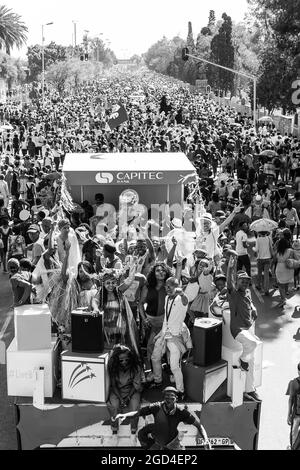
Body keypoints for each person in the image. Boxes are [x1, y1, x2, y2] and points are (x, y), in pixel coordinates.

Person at [114, 386, 211, 450]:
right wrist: (124, 415)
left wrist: (206, 440)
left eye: (171, 397)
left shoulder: (181, 412)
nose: (168, 400)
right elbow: (138, 413)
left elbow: (199, 426)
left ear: (176, 399)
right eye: (166, 397)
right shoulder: (156, 407)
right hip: (157, 443)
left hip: (173, 444)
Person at [227, 256, 261, 401]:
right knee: (251, 346)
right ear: (237, 282)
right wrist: (230, 268)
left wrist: (253, 309)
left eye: (247, 281)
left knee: (253, 360)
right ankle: (243, 360)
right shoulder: (233, 293)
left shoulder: (247, 293)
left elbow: (250, 305)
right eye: (242, 280)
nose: (245, 283)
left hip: (248, 328)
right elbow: (229, 282)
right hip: (238, 330)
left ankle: (249, 389)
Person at [151, 277, 191, 398]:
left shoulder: (182, 299)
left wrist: (183, 293)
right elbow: (166, 319)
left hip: (175, 337)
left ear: (178, 286)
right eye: (166, 286)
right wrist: (160, 334)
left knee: (174, 366)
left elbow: (185, 300)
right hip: (165, 334)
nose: (168, 288)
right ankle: (158, 381)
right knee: (155, 357)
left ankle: (180, 391)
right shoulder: (167, 297)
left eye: (171, 286)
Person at [107, 344, 143, 435]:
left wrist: (127, 399)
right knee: (114, 406)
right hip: (117, 391)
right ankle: (114, 429)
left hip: (132, 390)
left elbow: (136, 386)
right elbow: (114, 386)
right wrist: (121, 399)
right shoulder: (113, 368)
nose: (124, 362)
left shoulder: (136, 367)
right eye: (121, 360)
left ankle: (134, 430)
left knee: (135, 407)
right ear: (116, 360)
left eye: (126, 359)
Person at [286, 362, 300, 450]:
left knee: (294, 434)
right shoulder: (293, 383)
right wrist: (289, 415)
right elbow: (290, 400)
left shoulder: (293, 383)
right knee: (294, 434)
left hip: (296, 415)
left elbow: (290, 400)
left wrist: (289, 415)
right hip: (296, 415)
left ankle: (293, 447)